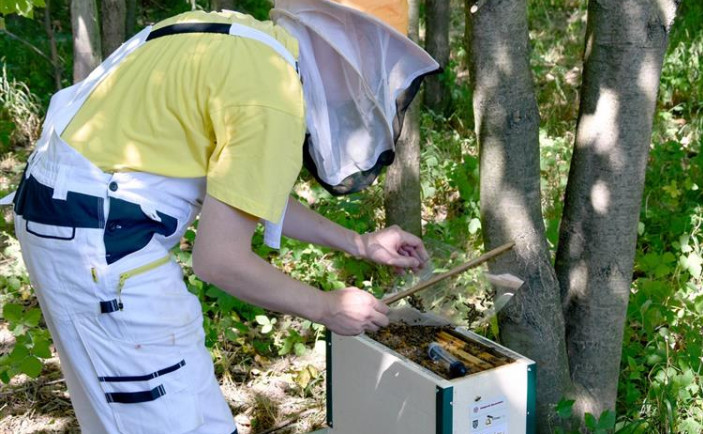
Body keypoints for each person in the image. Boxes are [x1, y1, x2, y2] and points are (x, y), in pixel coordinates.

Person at [4, 0, 439, 433]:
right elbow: (218, 260)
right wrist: (327, 307)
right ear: (347, 41)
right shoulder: (274, 94)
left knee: (186, 409)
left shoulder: (236, 38)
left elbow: (241, 191)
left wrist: (358, 243)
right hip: (101, 245)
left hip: (78, 221)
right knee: (164, 418)